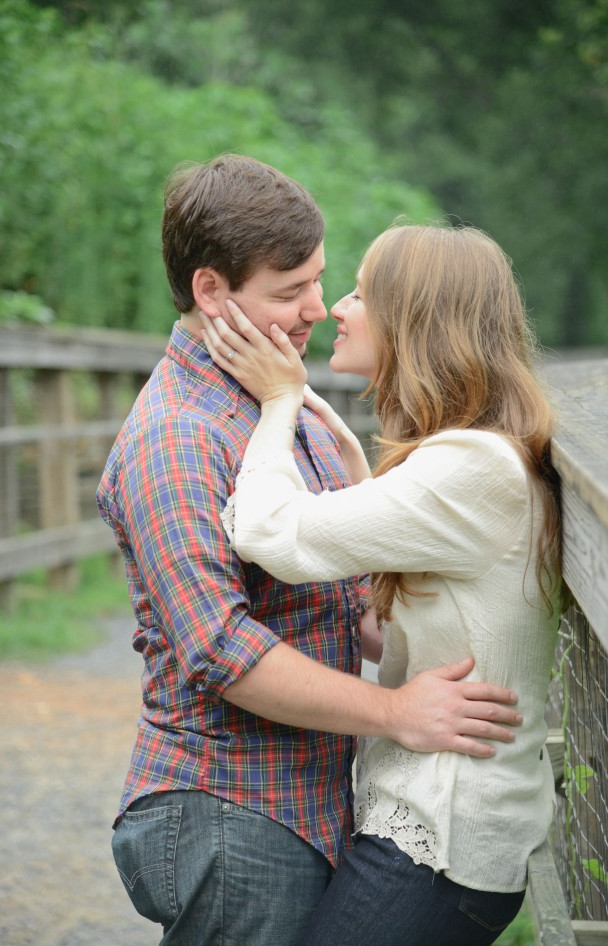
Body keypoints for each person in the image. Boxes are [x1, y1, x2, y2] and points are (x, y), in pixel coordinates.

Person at [97, 156, 523, 946]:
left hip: (306, 807)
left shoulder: (281, 405)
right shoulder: (176, 437)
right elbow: (220, 649)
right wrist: (395, 711)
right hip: (228, 809)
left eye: (319, 281)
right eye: (289, 291)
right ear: (211, 292)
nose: (317, 309)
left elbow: (343, 600)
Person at [200, 220, 563, 946]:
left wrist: (279, 401)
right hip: (439, 835)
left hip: (438, 846)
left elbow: (270, 533)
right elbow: (399, 617)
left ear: (413, 319)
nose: (336, 307)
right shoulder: (477, 459)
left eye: (363, 294)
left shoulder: (472, 469)